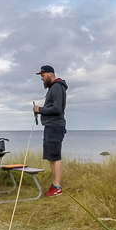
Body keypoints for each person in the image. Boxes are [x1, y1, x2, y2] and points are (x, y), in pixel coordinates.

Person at [32, 65, 68, 197]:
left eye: (43, 75)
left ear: (50, 74)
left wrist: (39, 110)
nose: (41, 79)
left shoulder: (57, 87)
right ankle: (54, 185)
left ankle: (57, 187)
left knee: (55, 156)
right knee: (51, 157)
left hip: (55, 126)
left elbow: (57, 109)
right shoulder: (53, 88)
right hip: (50, 126)